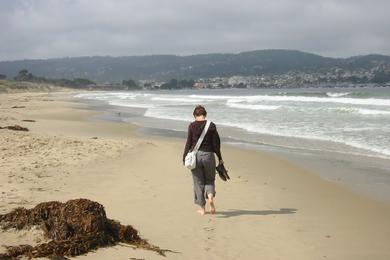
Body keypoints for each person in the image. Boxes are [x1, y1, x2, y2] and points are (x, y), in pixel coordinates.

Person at [183, 105, 223, 215]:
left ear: (195, 115)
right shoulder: (211, 125)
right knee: (210, 180)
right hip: (209, 156)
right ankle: (210, 197)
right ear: (205, 114)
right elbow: (216, 144)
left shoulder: (192, 126)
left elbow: (189, 143)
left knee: (198, 182)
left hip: (195, 157)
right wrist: (220, 158)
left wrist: (184, 157)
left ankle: (202, 208)